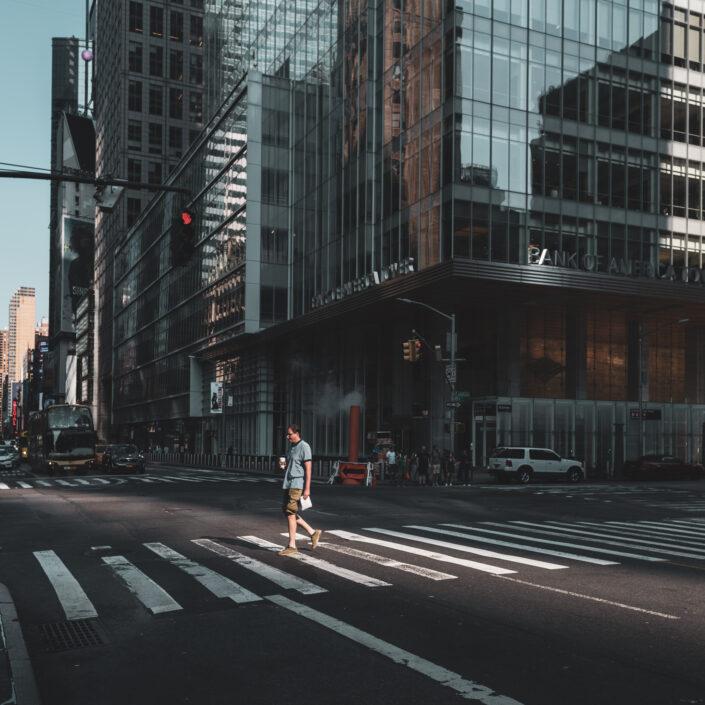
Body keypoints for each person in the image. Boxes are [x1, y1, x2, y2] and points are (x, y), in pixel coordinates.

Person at [279, 423, 322, 556]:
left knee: (291, 512)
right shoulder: (291, 447)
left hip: (297, 483)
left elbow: (308, 469)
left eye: (289, 434)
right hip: (288, 482)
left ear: (297, 433)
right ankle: (313, 532)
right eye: (287, 434)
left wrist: (307, 488)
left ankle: (292, 546)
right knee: (287, 511)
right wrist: (285, 466)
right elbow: (293, 466)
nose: (287, 436)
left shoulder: (304, 446)